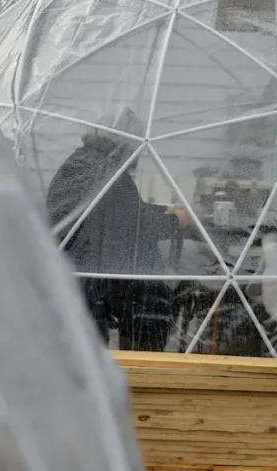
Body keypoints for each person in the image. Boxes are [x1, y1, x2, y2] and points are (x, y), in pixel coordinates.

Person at [46, 107, 194, 351]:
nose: (139, 154)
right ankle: (144, 359)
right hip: (92, 279)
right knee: (153, 299)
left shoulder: (78, 164)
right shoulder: (110, 174)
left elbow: (125, 212)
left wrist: (167, 210)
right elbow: (136, 227)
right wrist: (178, 220)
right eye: (137, 145)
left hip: (71, 268)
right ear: (125, 143)